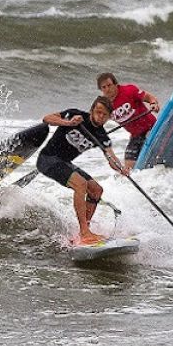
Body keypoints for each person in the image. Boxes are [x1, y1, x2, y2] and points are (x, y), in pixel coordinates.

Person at [36, 96, 124, 245]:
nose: (100, 117)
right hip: (47, 159)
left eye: (104, 115)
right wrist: (67, 123)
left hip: (64, 163)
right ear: (92, 110)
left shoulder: (101, 136)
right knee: (81, 184)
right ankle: (84, 232)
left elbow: (112, 158)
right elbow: (46, 118)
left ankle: (84, 231)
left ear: (109, 118)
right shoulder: (75, 115)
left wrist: (122, 169)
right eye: (98, 112)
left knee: (96, 190)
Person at [96, 72, 160, 175]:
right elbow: (96, 122)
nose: (107, 89)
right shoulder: (104, 105)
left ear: (115, 84)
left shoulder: (129, 90)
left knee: (153, 148)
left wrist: (153, 104)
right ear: (101, 90)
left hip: (151, 128)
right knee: (128, 170)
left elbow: (149, 97)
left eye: (109, 85)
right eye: (104, 87)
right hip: (136, 136)